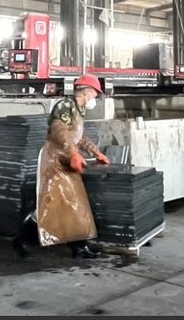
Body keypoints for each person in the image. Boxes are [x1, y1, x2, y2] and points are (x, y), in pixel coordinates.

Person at [35, 74, 110, 260]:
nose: (95, 99)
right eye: (95, 94)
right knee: (57, 204)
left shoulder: (78, 109)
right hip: (55, 160)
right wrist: (74, 154)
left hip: (66, 158)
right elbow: (59, 130)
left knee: (72, 205)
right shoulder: (65, 106)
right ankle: (24, 236)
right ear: (86, 92)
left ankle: (79, 245)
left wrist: (96, 153)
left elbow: (79, 136)